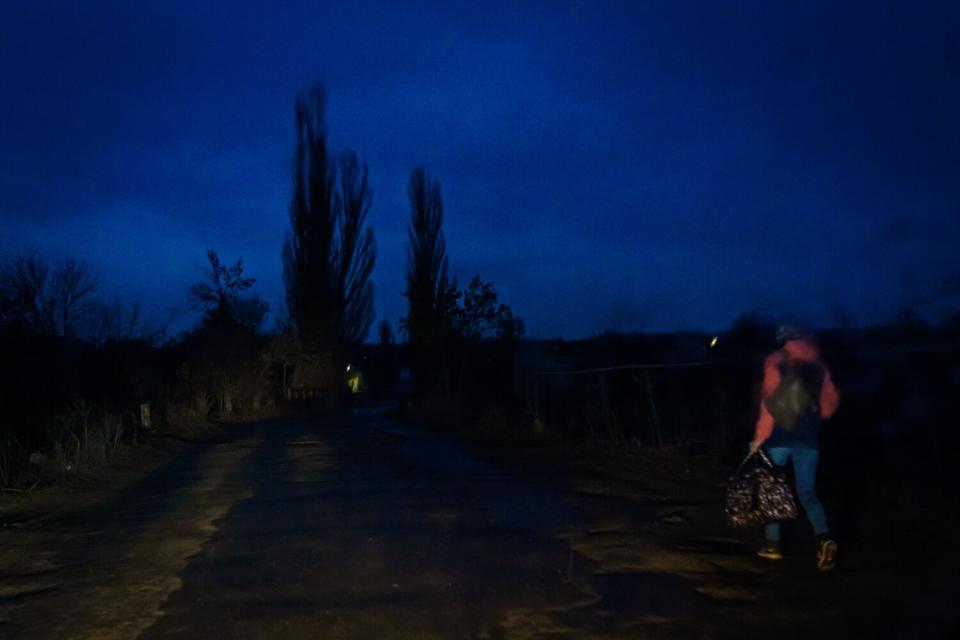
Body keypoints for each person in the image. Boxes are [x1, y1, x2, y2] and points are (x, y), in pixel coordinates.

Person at [749, 325, 841, 571]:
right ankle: (824, 539)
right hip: (809, 439)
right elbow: (830, 406)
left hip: (779, 436)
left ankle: (772, 546)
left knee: (772, 490)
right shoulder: (818, 366)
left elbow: (768, 405)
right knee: (807, 492)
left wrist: (758, 438)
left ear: (781, 341)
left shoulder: (776, 361)